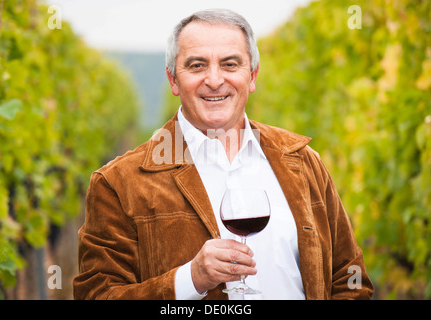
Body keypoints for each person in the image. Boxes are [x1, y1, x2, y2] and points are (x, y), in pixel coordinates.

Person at [73, 8, 374, 300]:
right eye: (196, 66)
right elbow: (97, 295)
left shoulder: (303, 161)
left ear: (253, 76)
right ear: (173, 80)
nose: (215, 80)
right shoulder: (118, 184)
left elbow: (350, 279)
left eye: (230, 64)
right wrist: (191, 279)